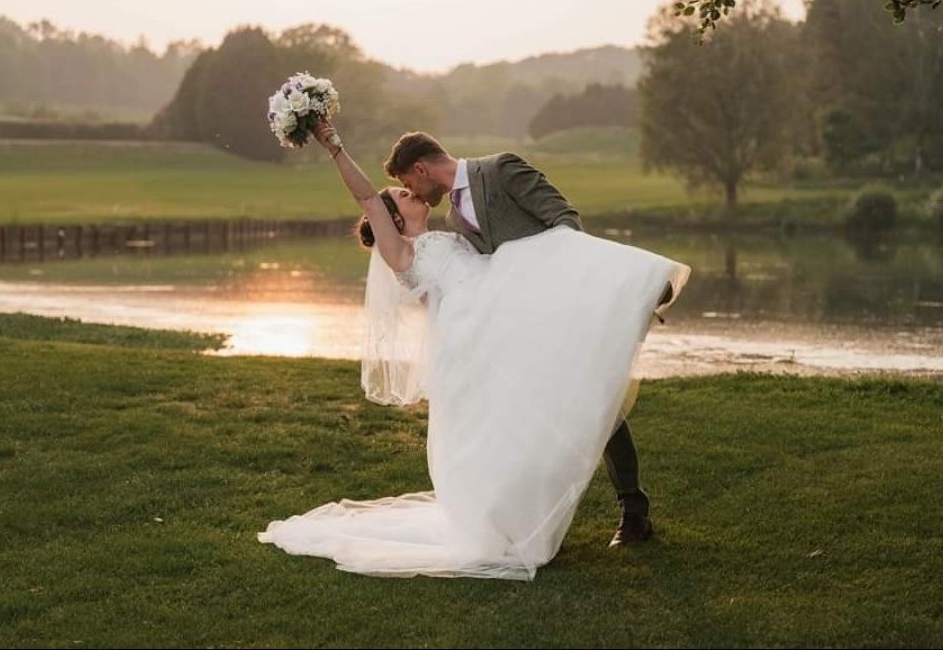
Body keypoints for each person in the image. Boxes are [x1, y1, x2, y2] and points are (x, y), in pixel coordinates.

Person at [257, 122, 691, 580]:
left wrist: (576, 283)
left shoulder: (461, 215)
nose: (411, 193)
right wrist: (333, 146)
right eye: (403, 194)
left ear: (421, 168)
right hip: (480, 340)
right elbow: (368, 199)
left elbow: (553, 231)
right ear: (394, 220)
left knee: (587, 402)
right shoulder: (403, 252)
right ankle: (509, 522)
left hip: (516, 320)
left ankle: (627, 505)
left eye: (406, 185)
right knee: (508, 430)